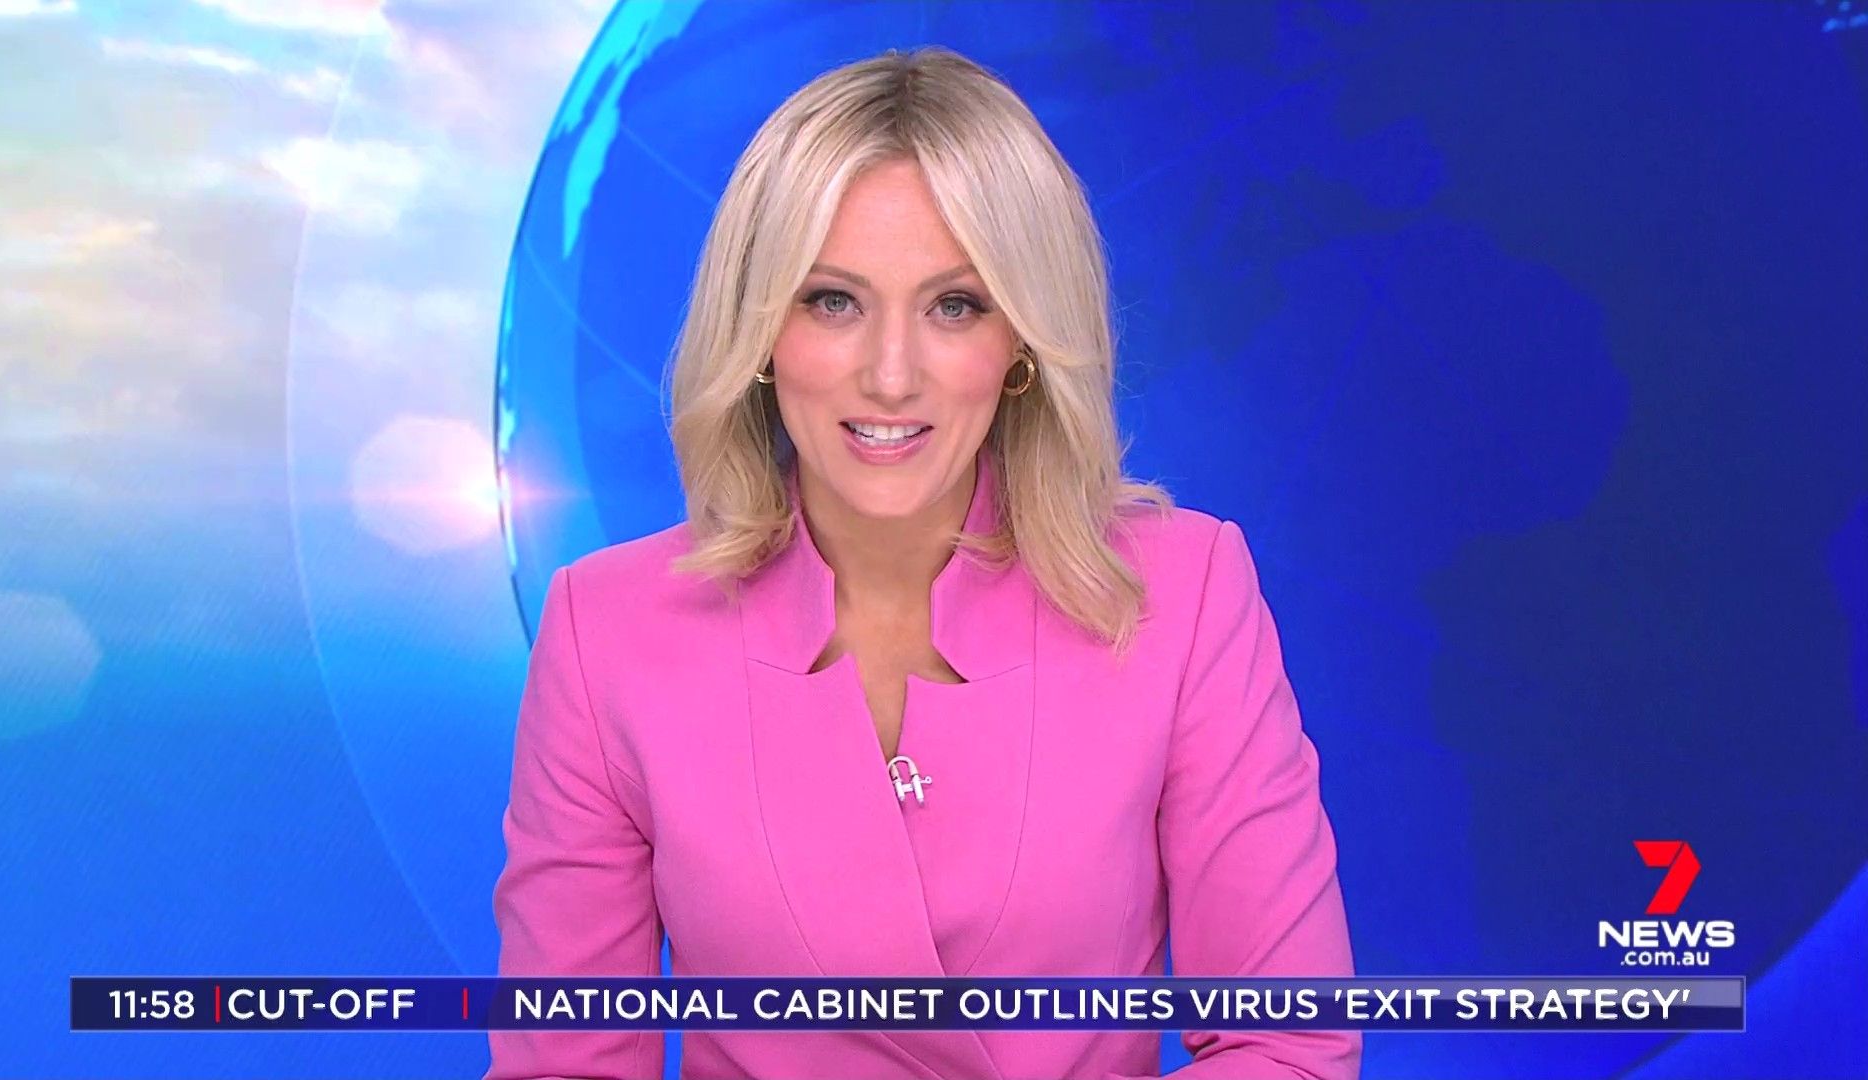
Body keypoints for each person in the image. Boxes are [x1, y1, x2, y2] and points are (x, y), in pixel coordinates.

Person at [487, 45, 1359, 1080]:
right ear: (761, 332)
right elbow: (566, 1062)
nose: (891, 375)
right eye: (833, 301)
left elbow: (1286, 1043)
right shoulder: (606, 631)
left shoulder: (1187, 592)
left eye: (954, 306)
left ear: (1021, 340)